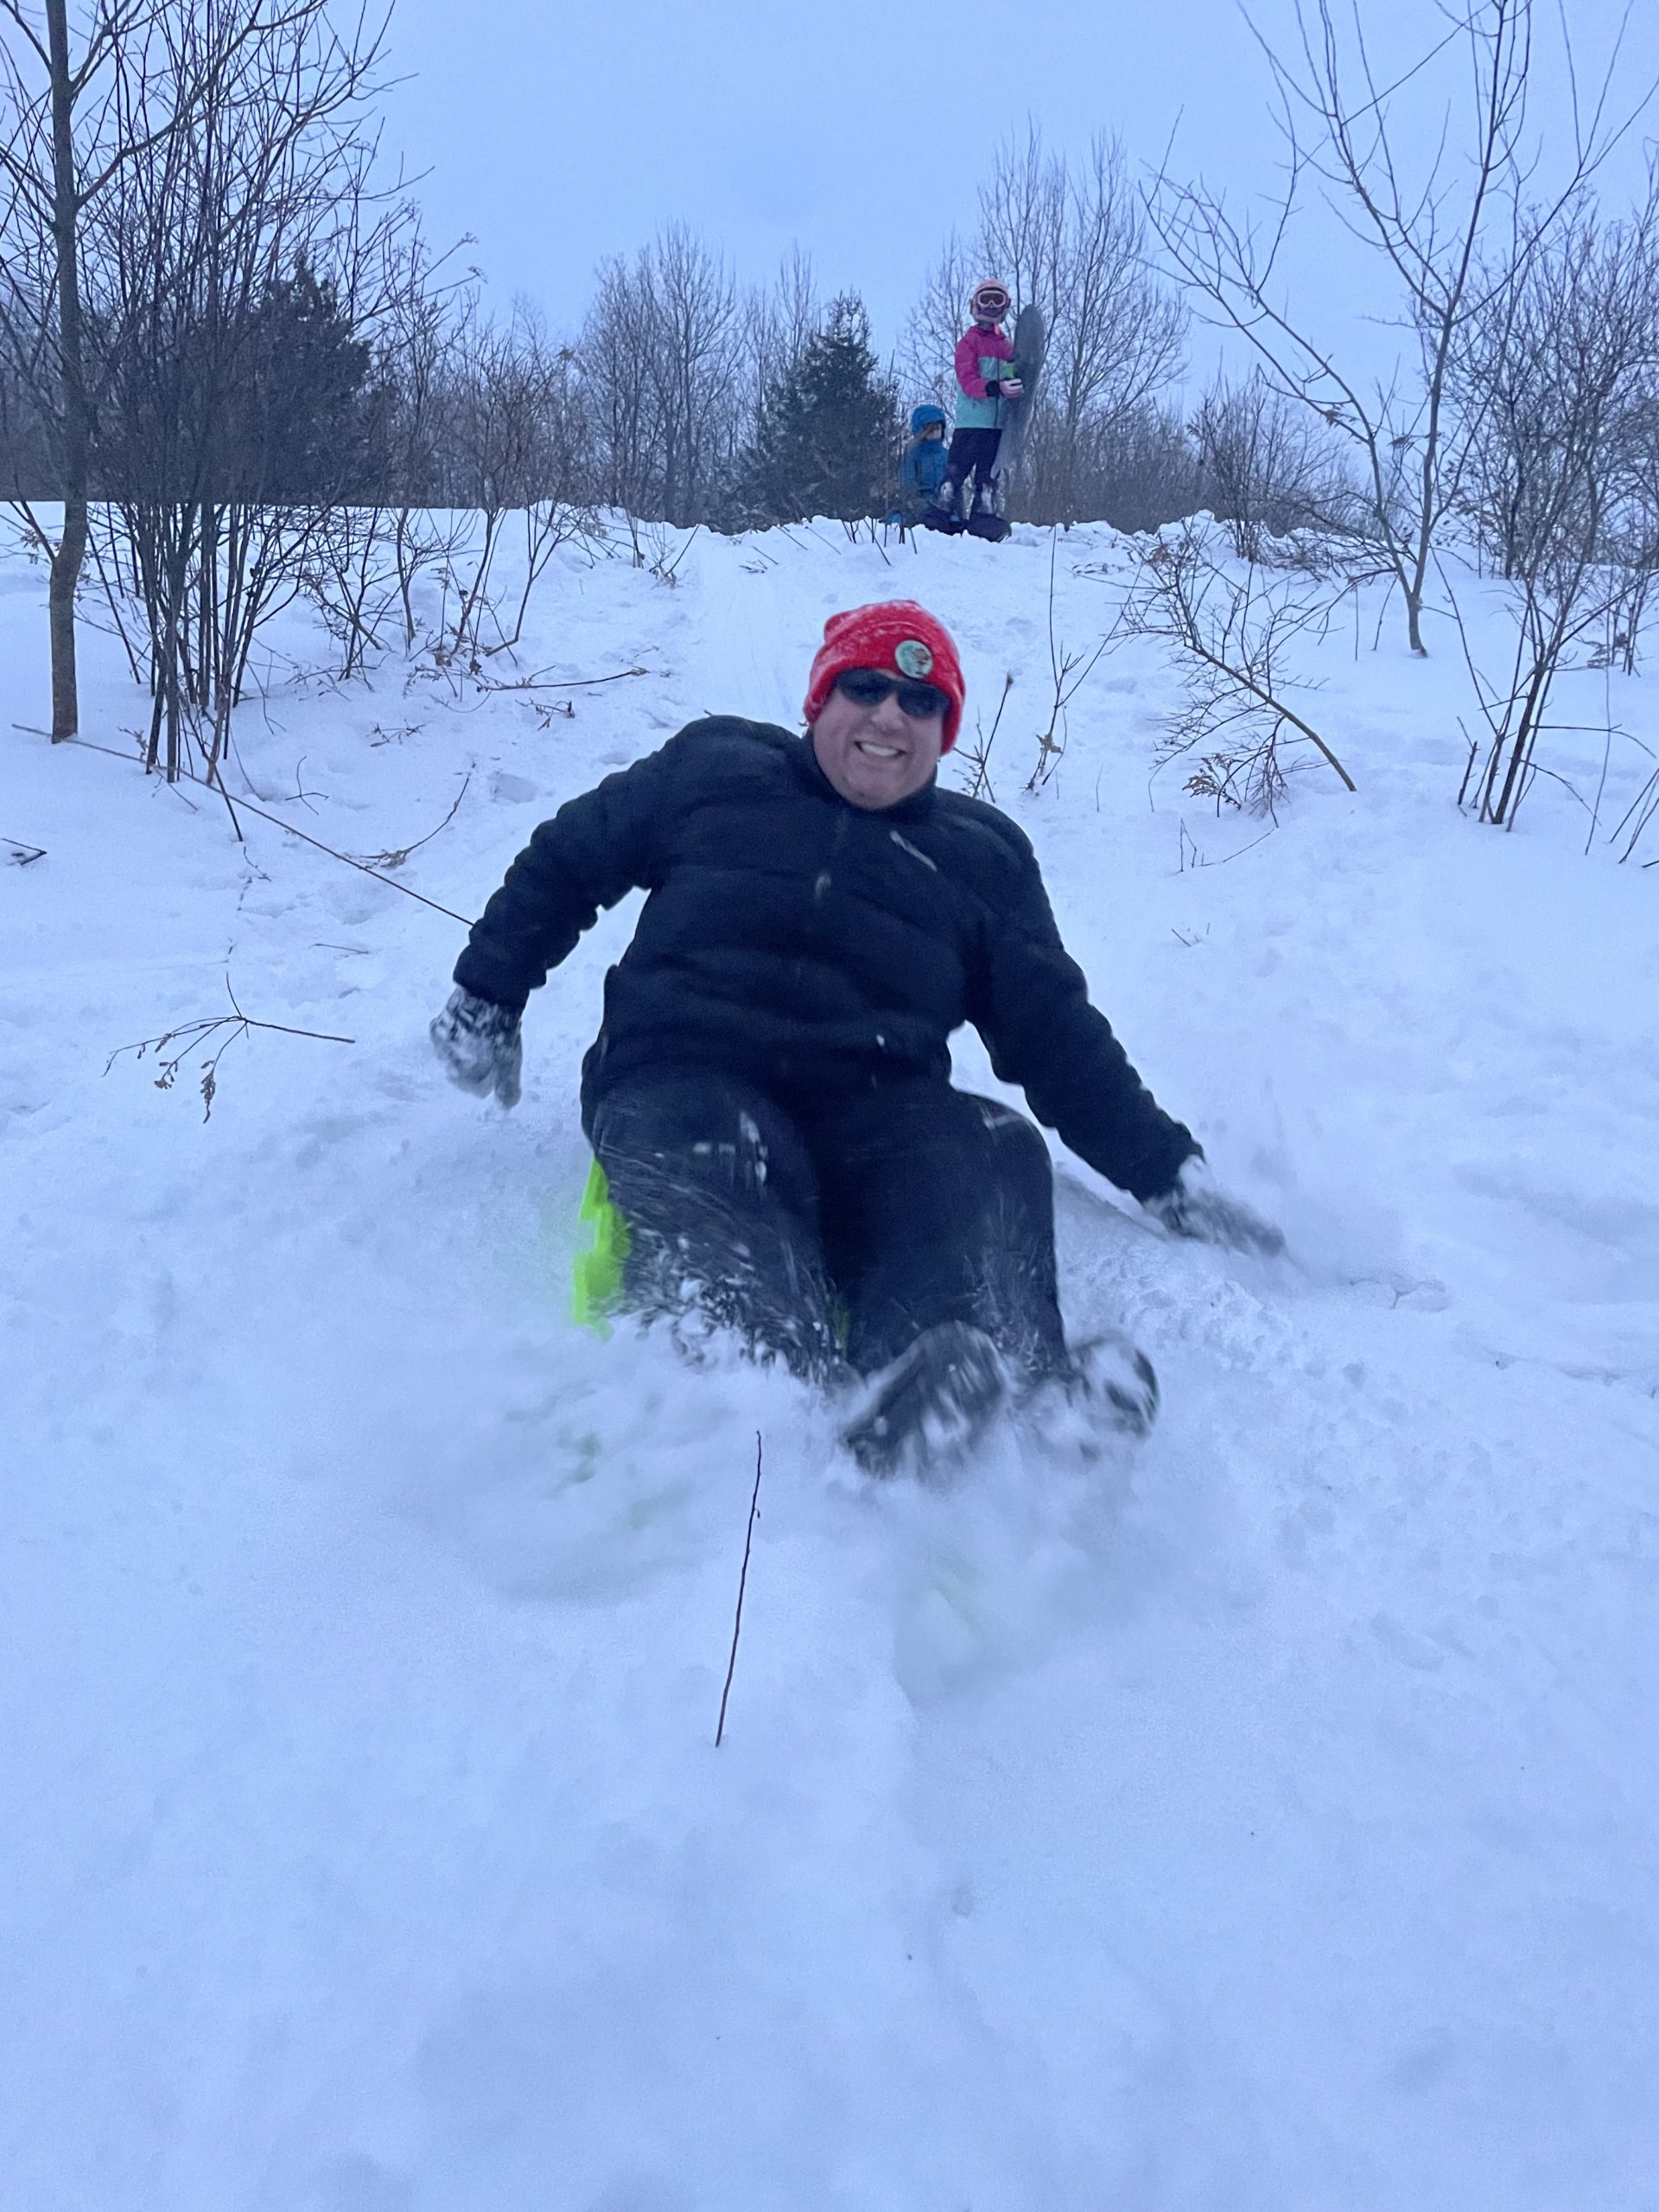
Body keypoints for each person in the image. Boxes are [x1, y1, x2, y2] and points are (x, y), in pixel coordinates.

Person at [431, 601, 1281, 1473]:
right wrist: (485, 995)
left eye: (919, 703)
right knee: (728, 1160)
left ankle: (999, 1403)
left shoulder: (982, 857)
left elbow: (1057, 1038)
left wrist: (1165, 1172)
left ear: (943, 732)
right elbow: (567, 863)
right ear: (818, 700)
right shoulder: (714, 767)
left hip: (872, 1113)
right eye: (865, 687)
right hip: (687, 1076)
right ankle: (767, 1398)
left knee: (987, 1144)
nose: (888, 715)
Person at [924, 279, 1021, 537]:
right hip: (972, 422)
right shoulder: (969, 342)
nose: (991, 306)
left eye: (996, 300)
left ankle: (984, 520)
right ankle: (938, 516)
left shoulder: (1006, 347)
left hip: (997, 426)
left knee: (988, 477)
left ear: (1005, 306)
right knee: (956, 471)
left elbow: (1013, 373)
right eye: (986, 299)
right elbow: (968, 380)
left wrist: (1015, 385)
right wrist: (997, 388)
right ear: (975, 305)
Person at [890, 404, 949, 530]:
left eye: (938, 428)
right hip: (917, 509)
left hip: (944, 508)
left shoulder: (947, 456)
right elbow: (907, 485)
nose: (935, 433)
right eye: (930, 429)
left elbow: (954, 486)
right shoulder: (912, 454)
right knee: (899, 524)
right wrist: (922, 508)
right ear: (920, 431)